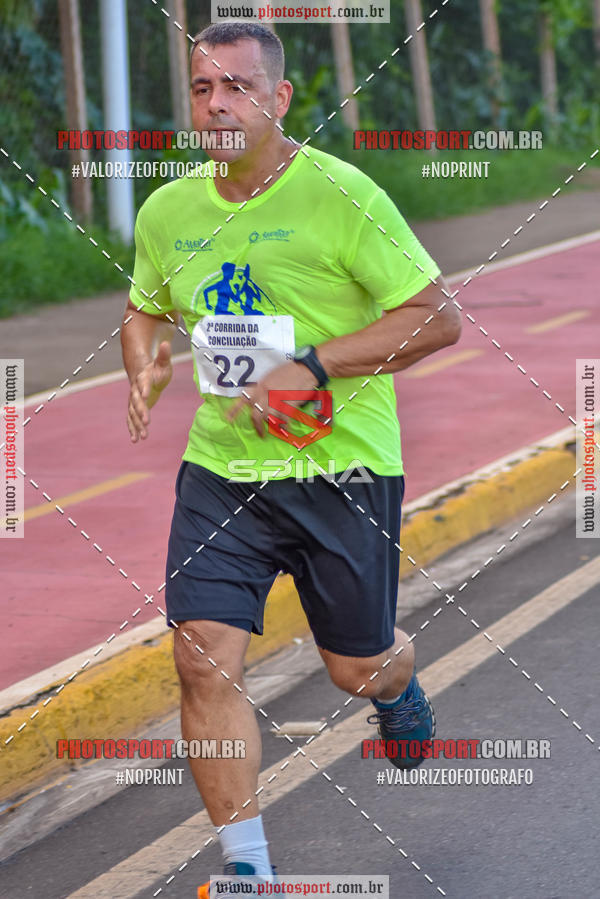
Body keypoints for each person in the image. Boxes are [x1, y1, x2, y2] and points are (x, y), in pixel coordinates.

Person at [121, 21, 461, 893]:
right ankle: (248, 872)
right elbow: (145, 305)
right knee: (201, 657)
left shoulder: (341, 195)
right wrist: (143, 351)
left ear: (278, 100)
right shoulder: (168, 212)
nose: (217, 103)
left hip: (339, 470)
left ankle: (394, 683)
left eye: (236, 87)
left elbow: (436, 316)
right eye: (203, 89)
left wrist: (307, 368)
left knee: (354, 663)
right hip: (221, 471)